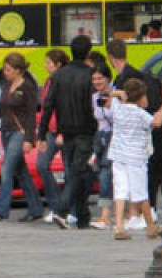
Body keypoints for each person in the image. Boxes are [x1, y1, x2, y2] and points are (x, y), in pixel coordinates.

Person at [37, 35, 98, 229]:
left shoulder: (58, 75)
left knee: (75, 171)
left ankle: (82, 215)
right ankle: (62, 210)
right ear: (88, 52)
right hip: (86, 129)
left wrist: (42, 133)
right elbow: (93, 104)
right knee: (76, 171)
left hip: (65, 130)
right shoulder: (90, 74)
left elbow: (48, 105)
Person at [0, 51, 43, 222]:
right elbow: (0, 108)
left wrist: (30, 139)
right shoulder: (7, 86)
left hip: (19, 133)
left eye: (7, 69)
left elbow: (31, 115)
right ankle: (36, 208)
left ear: (17, 70)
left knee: (6, 169)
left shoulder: (28, 87)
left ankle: (0, 209)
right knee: (21, 172)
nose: (5, 72)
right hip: (6, 132)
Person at [108, 78, 162, 240]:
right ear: (141, 97)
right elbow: (157, 123)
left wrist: (120, 94)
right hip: (136, 157)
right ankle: (151, 226)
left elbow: (109, 96)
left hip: (118, 155)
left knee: (120, 191)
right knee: (140, 193)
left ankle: (119, 226)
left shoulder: (118, 108)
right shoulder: (141, 114)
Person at [34, 49, 69, 219]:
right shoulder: (48, 81)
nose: (46, 66)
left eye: (49, 63)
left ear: (59, 64)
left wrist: (62, 130)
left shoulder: (65, 81)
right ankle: (56, 205)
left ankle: (68, 209)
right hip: (49, 130)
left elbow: (65, 108)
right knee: (41, 164)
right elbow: (46, 108)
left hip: (64, 130)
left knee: (70, 170)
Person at [90, 64, 116, 229]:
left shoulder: (116, 94)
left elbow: (117, 117)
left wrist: (111, 102)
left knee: (106, 172)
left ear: (108, 78)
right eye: (94, 79)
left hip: (113, 135)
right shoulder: (95, 97)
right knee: (100, 170)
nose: (97, 82)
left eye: (100, 78)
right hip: (100, 136)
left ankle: (105, 215)